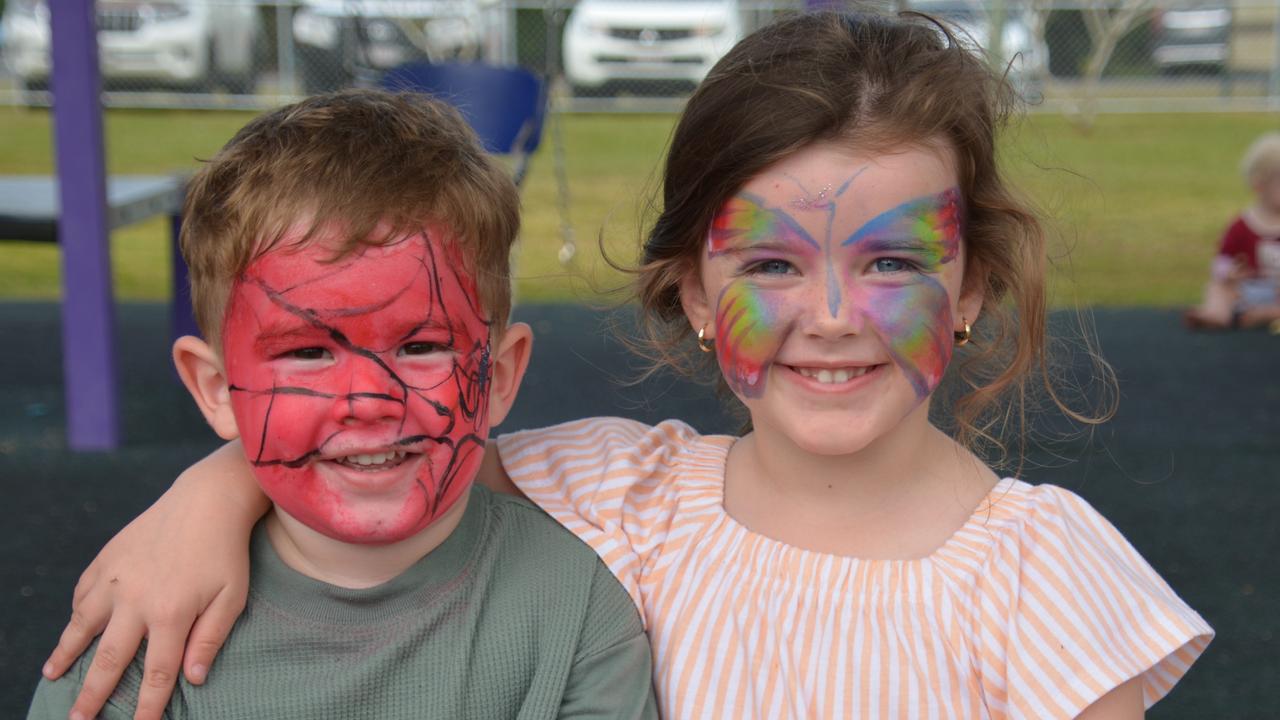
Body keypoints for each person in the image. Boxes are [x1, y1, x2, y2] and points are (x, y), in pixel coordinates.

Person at [44, 11, 1213, 720]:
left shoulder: (1041, 573)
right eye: (767, 263)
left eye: (892, 261)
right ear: (695, 294)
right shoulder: (623, 496)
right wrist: (207, 497)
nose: (832, 314)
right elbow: (373, 444)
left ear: (965, 288)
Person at [28, 89, 657, 720]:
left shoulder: (578, 609)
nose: (368, 400)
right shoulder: (146, 621)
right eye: (306, 353)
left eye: (422, 345)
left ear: (497, 376)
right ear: (216, 389)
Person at [1184, 132, 1280, 331]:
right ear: (1259, 185)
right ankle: (1215, 315)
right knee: (1218, 288)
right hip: (1246, 289)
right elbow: (1222, 259)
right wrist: (1229, 273)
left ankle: (1266, 314)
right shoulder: (1242, 225)